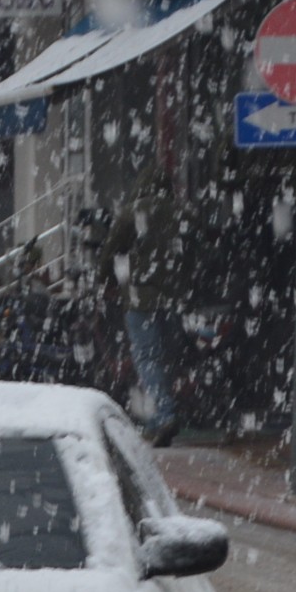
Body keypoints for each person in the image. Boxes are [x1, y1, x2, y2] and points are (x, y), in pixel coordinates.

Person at [105, 166, 187, 444]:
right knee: (166, 357)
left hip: (141, 298)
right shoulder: (181, 212)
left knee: (147, 357)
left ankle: (163, 415)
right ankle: (162, 413)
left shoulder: (134, 212)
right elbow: (194, 251)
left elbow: (112, 249)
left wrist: (105, 277)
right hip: (174, 297)